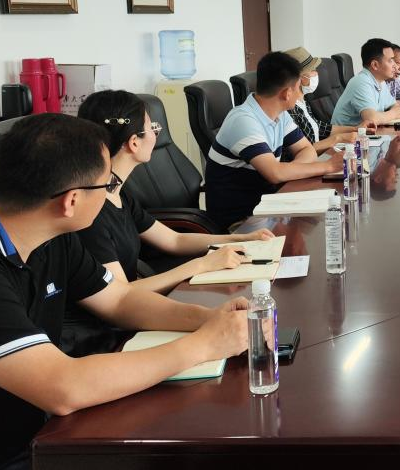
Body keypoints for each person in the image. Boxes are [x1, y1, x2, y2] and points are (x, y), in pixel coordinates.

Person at [0, 114, 248, 470]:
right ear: (71, 201)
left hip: (33, 432)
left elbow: (119, 299)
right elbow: (63, 387)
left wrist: (209, 320)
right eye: (106, 184)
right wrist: (203, 346)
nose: (111, 193)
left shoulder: (51, 235)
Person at [62, 90, 276, 356]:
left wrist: (239, 238)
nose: (157, 133)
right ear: (134, 143)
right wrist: (200, 265)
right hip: (105, 338)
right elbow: (120, 295)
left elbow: (174, 239)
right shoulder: (90, 213)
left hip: (133, 314)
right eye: (152, 127)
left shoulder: (119, 194)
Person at [206, 51, 345, 229]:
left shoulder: (280, 114)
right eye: (298, 87)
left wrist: (290, 171)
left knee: (320, 222)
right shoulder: (243, 121)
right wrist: (329, 166)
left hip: (269, 206)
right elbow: (275, 174)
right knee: (317, 232)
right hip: (240, 221)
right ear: (287, 93)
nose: (300, 94)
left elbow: (306, 149)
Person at [283, 46, 360, 154]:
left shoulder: (303, 101)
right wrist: (338, 138)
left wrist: (355, 129)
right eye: (312, 70)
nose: (316, 73)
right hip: (310, 160)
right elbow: (303, 150)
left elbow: (318, 127)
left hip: (317, 157)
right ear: (300, 77)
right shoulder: (289, 108)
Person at [331, 38, 400, 127]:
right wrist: (394, 114)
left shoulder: (380, 81)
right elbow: (371, 119)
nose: (395, 66)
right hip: (346, 135)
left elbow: (394, 106)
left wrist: (394, 112)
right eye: (390, 60)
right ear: (375, 65)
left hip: (365, 133)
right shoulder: (361, 82)